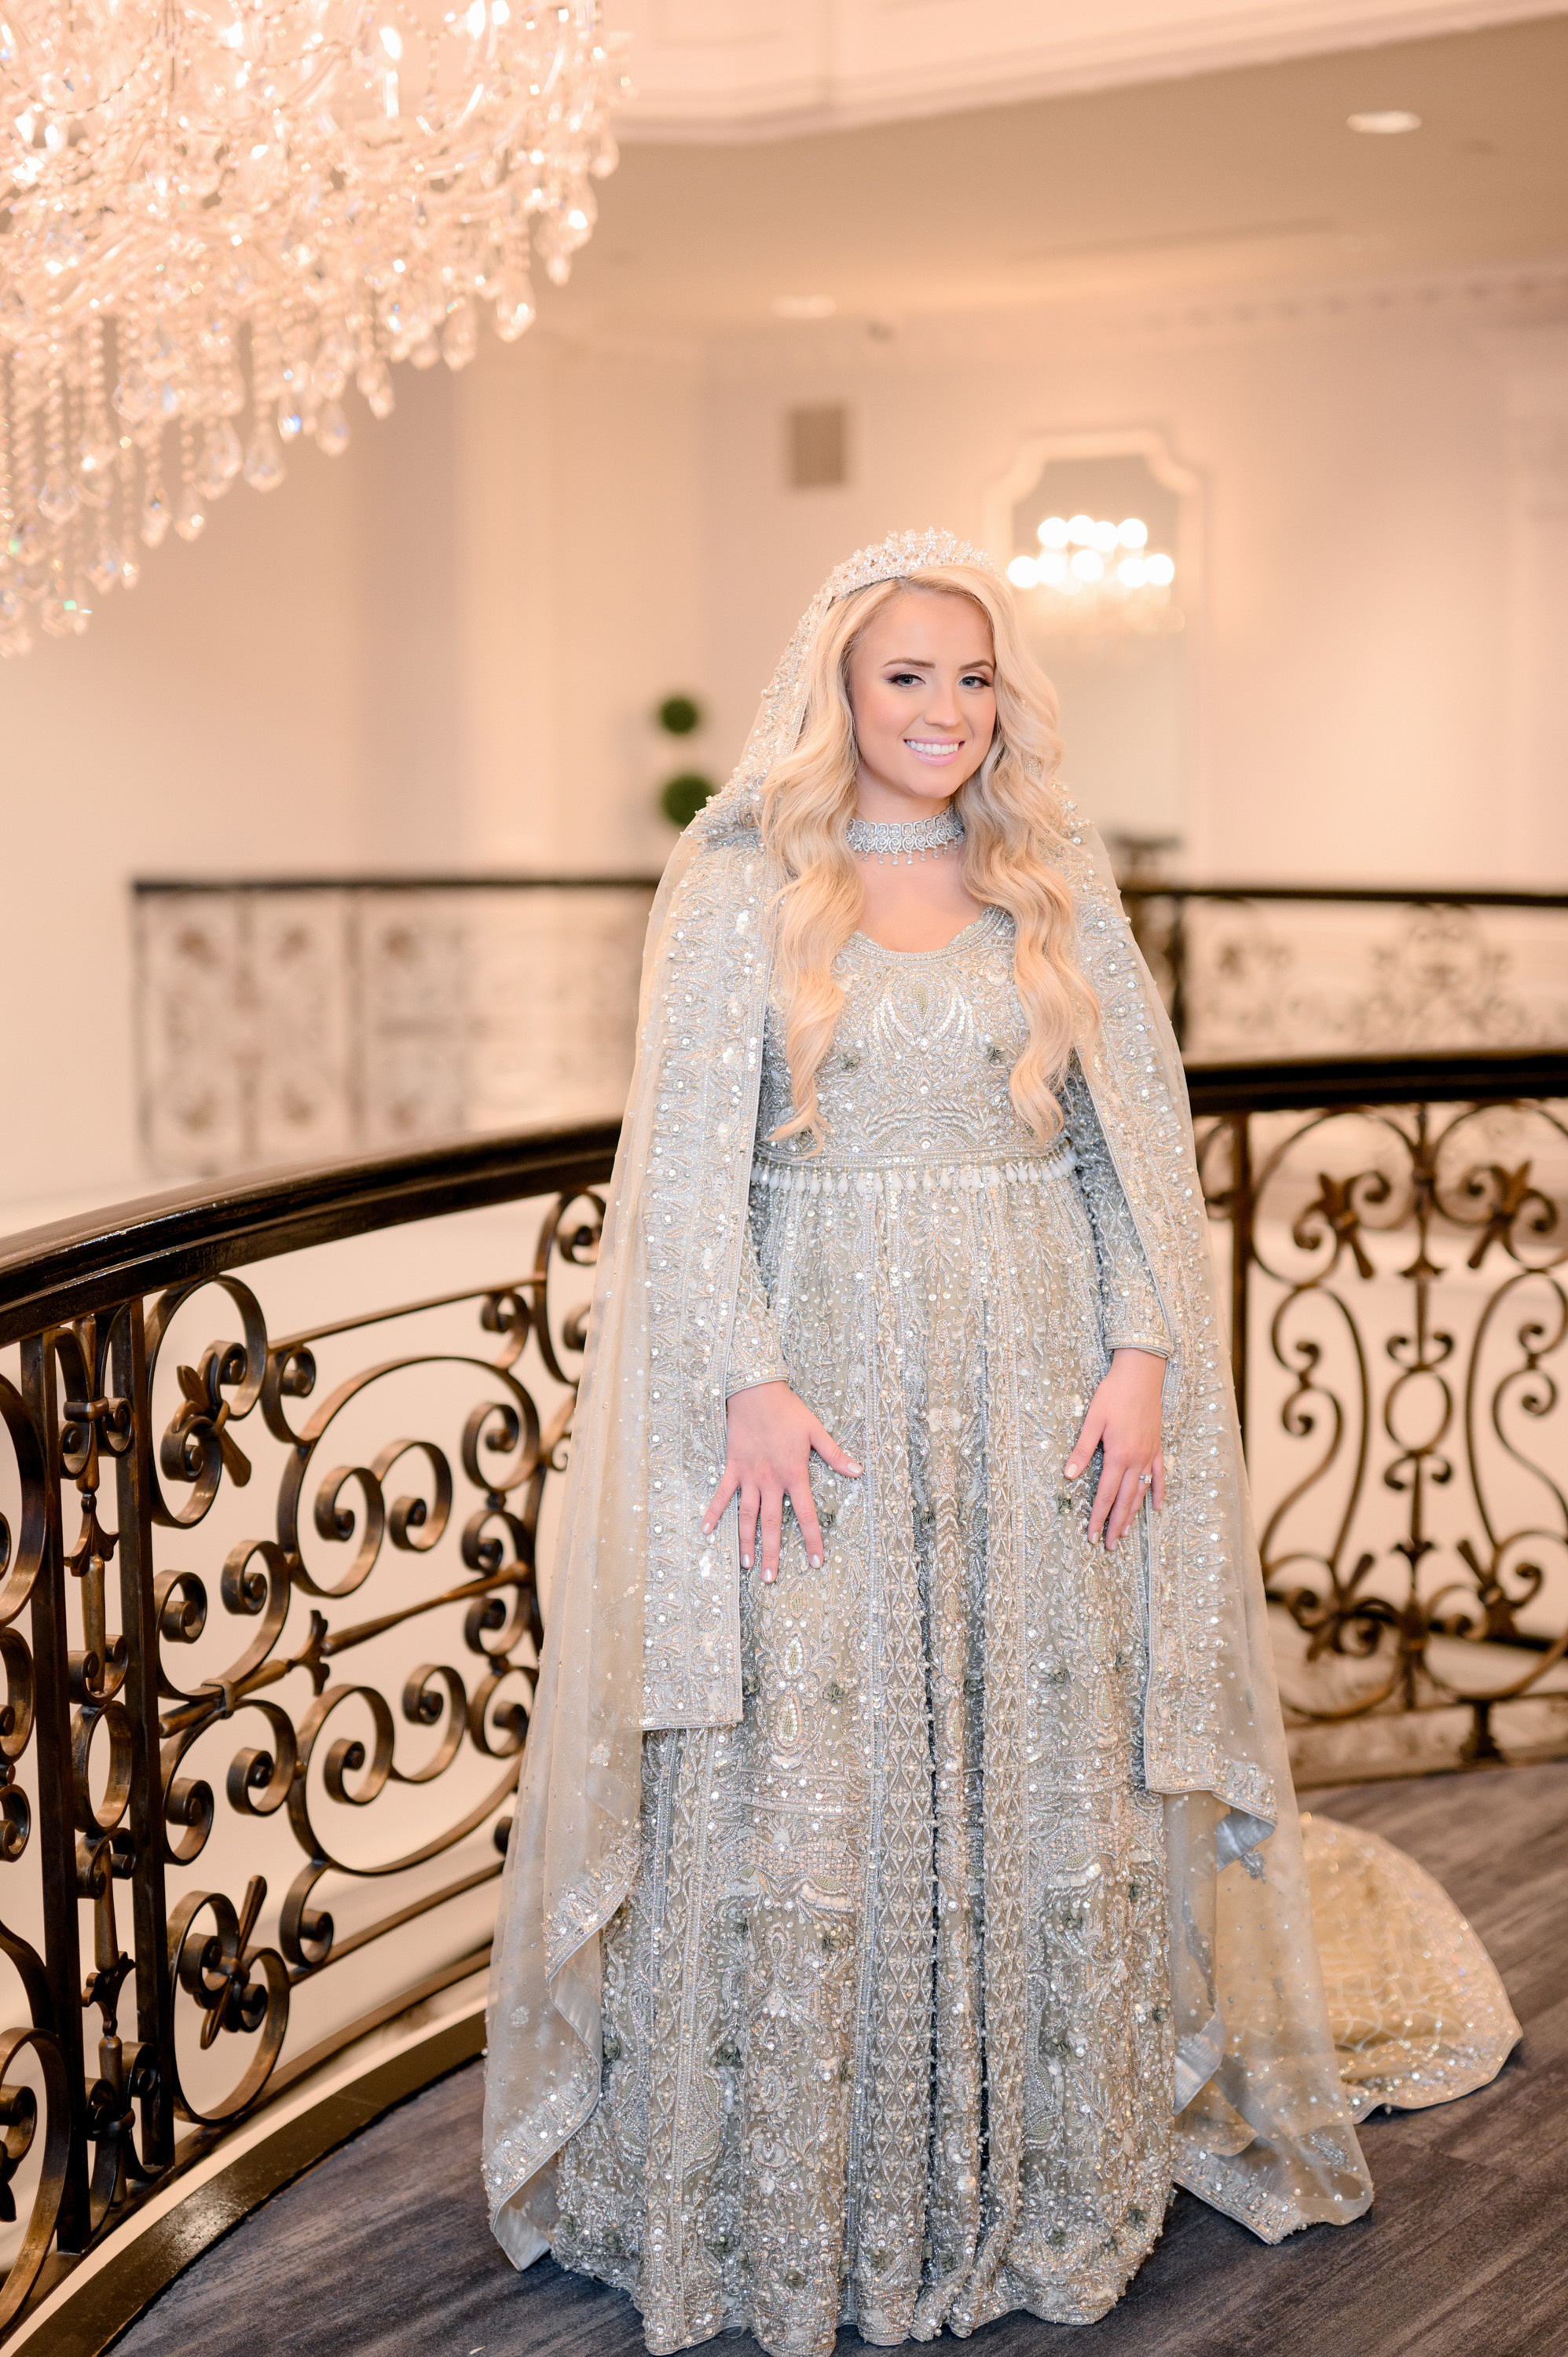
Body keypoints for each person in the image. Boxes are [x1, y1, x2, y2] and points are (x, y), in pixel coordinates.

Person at [482, 530, 1517, 2354]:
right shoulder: (737, 885)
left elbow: (1129, 1147)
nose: (945, 711)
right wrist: (744, 1379)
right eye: (907, 677)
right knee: (819, 1749)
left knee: (1037, 1732)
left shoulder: (1048, 874)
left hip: (1042, 1373)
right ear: (837, 691)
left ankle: (1042, 2161)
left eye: (972, 677)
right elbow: (688, 1178)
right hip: (812, 1394)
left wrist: (1136, 1351)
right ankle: (804, 2187)